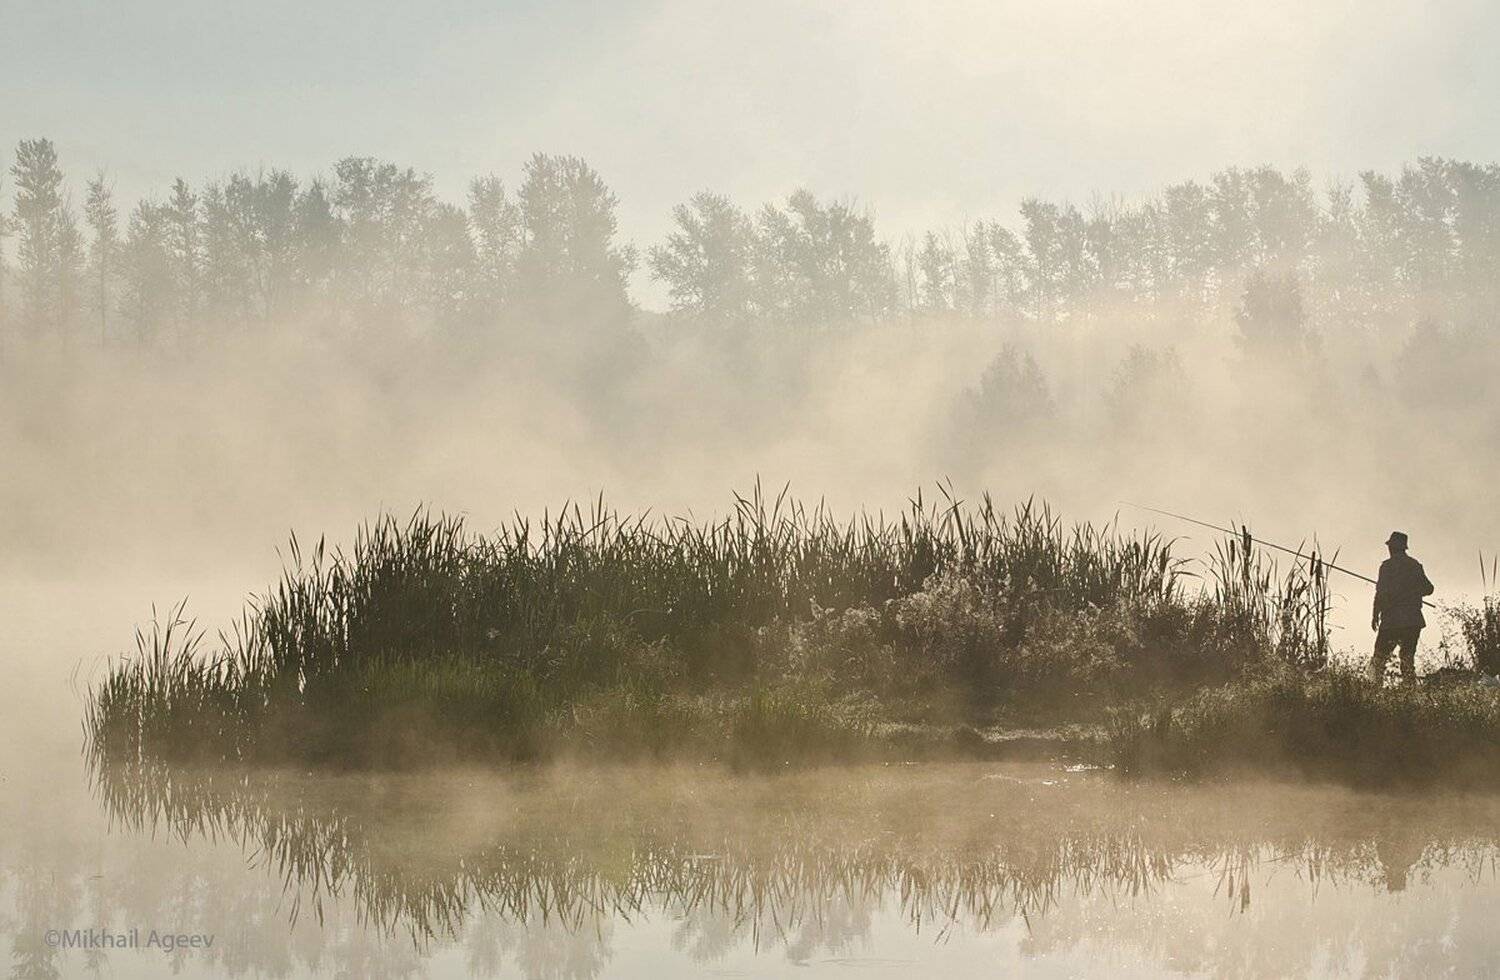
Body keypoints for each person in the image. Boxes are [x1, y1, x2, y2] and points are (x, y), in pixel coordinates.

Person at [1370, 531, 1434, 684]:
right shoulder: (1415, 566)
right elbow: (1429, 589)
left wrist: (1375, 615)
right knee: (1407, 659)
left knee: (1379, 659)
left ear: (1392, 548)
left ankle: (1374, 691)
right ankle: (1409, 692)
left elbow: (1380, 594)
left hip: (1392, 620)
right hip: (1412, 620)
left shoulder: (1386, 567)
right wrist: (1412, 591)